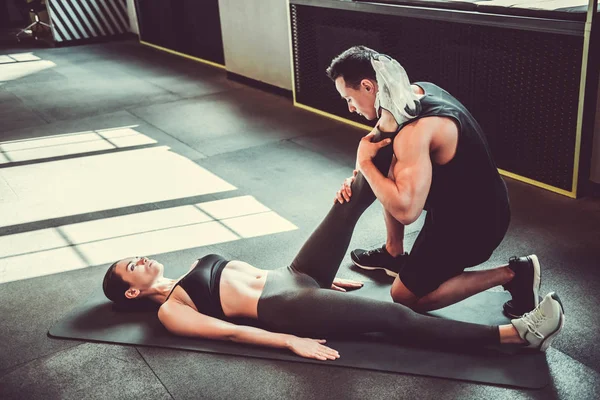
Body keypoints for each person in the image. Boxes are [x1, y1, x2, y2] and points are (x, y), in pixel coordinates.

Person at [103, 126, 564, 361]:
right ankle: (517, 336)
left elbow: (252, 275)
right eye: (130, 265)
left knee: (355, 192)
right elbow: (229, 331)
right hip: (285, 306)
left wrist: (328, 281)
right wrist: (288, 342)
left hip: (295, 276)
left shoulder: (192, 267)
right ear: (131, 291)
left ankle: (405, 136)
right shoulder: (170, 310)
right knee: (391, 315)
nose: (138, 258)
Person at [327, 46, 537, 318]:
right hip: (473, 199)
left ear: (368, 86)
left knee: (404, 298)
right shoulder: (416, 92)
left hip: (475, 224)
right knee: (389, 165)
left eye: (349, 98)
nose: (350, 107)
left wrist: (365, 164)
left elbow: (406, 212)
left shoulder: (416, 132)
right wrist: (356, 175)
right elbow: (376, 141)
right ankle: (393, 254)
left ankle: (513, 274)